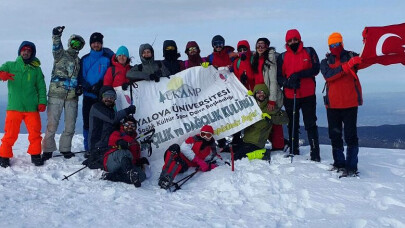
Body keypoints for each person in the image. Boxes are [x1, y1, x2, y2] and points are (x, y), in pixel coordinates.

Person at [320, 32, 364, 177]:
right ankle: (339, 163)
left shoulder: (352, 56)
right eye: (332, 45)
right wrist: (347, 66)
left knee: (350, 136)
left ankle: (351, 166)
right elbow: (329, 75)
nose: (335, 47)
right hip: (333, 105)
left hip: (349, 103)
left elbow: (365, 60)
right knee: (335, 135)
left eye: (337, 44)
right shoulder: (325, 62)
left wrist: (367, 42)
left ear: (342, 43)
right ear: (329, 46)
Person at [0, 41, 47, 168]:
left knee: (35, 133)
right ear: (20, 51)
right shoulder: (10, 65)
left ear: (32, 53)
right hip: (14, 107)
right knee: (10, 133)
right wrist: (1, 74)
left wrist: (42, 101)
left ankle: (35, 155)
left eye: (28, 51)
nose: (26, 52)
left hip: (32, 108)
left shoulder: (36, 69)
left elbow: (41, 87)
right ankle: (4, 156)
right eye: (24, 50)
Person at [42, 26, 85, 160]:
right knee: (52, 124)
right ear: (70, 43)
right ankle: (48, 150)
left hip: (72, 97)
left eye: (78, 44)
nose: (75, 45)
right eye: (74, 42)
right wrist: (56, 35)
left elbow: (80, 77)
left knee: (70, 125)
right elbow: (56, 46)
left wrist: (79, 87)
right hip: (56, 94)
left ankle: (65, 149)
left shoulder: (79, 61)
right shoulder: (60, 54)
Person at [277, 29, 321, 162]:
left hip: (308, 94)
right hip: (291, 95)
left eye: (295, 39)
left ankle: (315, 152)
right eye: (290, 40)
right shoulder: (283, 57)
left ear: (299, 39)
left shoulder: (309, 51)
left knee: (310, 123)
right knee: (292, 123)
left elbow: (316, 68)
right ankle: (293, 149)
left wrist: (299, 75)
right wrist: (288, 83)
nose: (292, 42)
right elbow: (279, 77)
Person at [84, 86, 136, 169]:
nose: (109, 99)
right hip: (98, 147)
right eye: (106, 96)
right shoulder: (96, 107)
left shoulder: (110, 110)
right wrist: (127, 110)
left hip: (108, 146)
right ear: (101, 96)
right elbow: (112, 118)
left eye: (112, 97)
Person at [79, 32, 114, 155]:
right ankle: (88, 148)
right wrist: (88, 87)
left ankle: (101, 146)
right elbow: (80, 77)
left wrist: (99, 86)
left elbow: (109, 74)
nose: (96, 45)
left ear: (101, 44)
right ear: (90, 44)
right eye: (94, 43)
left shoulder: (107, 58)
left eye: (98, 42)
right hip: (88, 97)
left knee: (102, 123)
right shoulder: (84, 59)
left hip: (102, 97)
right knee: (87, 123)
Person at [158, 125, 221, 189]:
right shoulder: (193, 139)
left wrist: (210, 166)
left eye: (208, 135)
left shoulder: (211, 148)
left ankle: (167, 180)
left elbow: (210, 159)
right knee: (174, 148)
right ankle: (164, 176)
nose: (205, 137)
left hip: (185, 164)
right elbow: (184, 148)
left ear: (211, 136)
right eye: (203, 134)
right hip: (179, 156)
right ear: (200, 133)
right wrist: (197, 160)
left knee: (177, 162)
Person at [251, 38, 285, 151]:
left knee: (274, 118)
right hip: (259, 94)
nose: (260, 47)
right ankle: (276, 142)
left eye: (263, 45)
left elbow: (273, 80)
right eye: (258, 45)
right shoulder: (256, 58)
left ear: (267, 46)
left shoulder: (270, 59)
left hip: (269, 94)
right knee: (264, 119)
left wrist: (272, 100)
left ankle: (279, 145)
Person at [102, 115, 150, 187]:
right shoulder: (117, 133)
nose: (130, 127)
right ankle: (130, 173)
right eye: (127, 124)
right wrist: (120, 142)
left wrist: (139, 161)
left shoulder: (136, 143)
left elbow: (133, 159)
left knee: (142, 176)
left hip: (123, 167)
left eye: (132, 125)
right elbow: (113, 139)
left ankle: (112, 176)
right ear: (123, 125)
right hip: (112, 162)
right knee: (125, 152)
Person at [234, 84, 273, 161]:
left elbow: (284, 118)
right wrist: (247, 98)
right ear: (255, 94)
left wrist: (270, 117)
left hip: (257, 142)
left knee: (238, 157)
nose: (261, 94)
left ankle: (263, 153)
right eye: (258, 92)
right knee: (234, 151)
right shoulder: (251, 106)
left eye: (263, 92)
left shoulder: (269, 107)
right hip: (246, 139)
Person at [103, 45, 132, 111]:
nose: (122, 57)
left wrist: (128, 84)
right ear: (116, 57)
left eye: (124, 56)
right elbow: (107, 86)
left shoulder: (131, 69)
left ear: (127, 57)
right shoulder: (111, 70)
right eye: (120, 55)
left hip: (129, 100)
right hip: (115, 101)